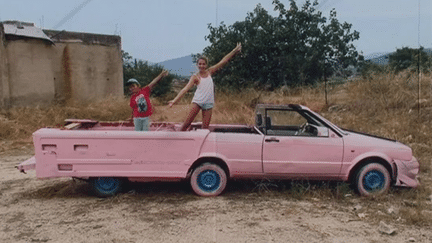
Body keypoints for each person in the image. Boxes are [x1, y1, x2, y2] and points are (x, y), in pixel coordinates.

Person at [169, 43, 241, 131]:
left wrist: (234, 51)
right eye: (200, 64)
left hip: (208, 103)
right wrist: (174, 100)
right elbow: (185, 89)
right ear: (197, 65)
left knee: (205, 128)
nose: (201, 66)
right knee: (186, 124)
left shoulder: (210, 72)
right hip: (197, 102)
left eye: (203, 64)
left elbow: (223, 61)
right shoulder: (195, 77)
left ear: (206, 65)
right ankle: (179, 140)